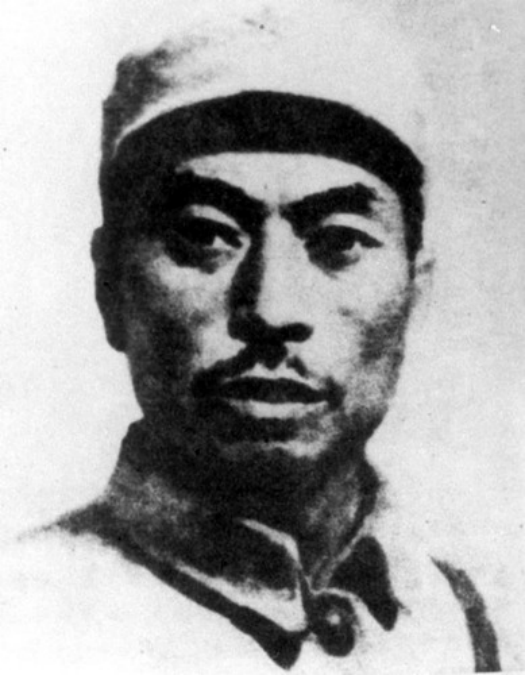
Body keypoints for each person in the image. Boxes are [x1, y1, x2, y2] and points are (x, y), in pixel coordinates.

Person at [0, 3, 502, 673]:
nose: (271, 309)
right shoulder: (21, 619)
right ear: (108, 285)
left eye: (340, 241)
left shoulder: (475, 625)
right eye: (205, 234)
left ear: (415, 293)